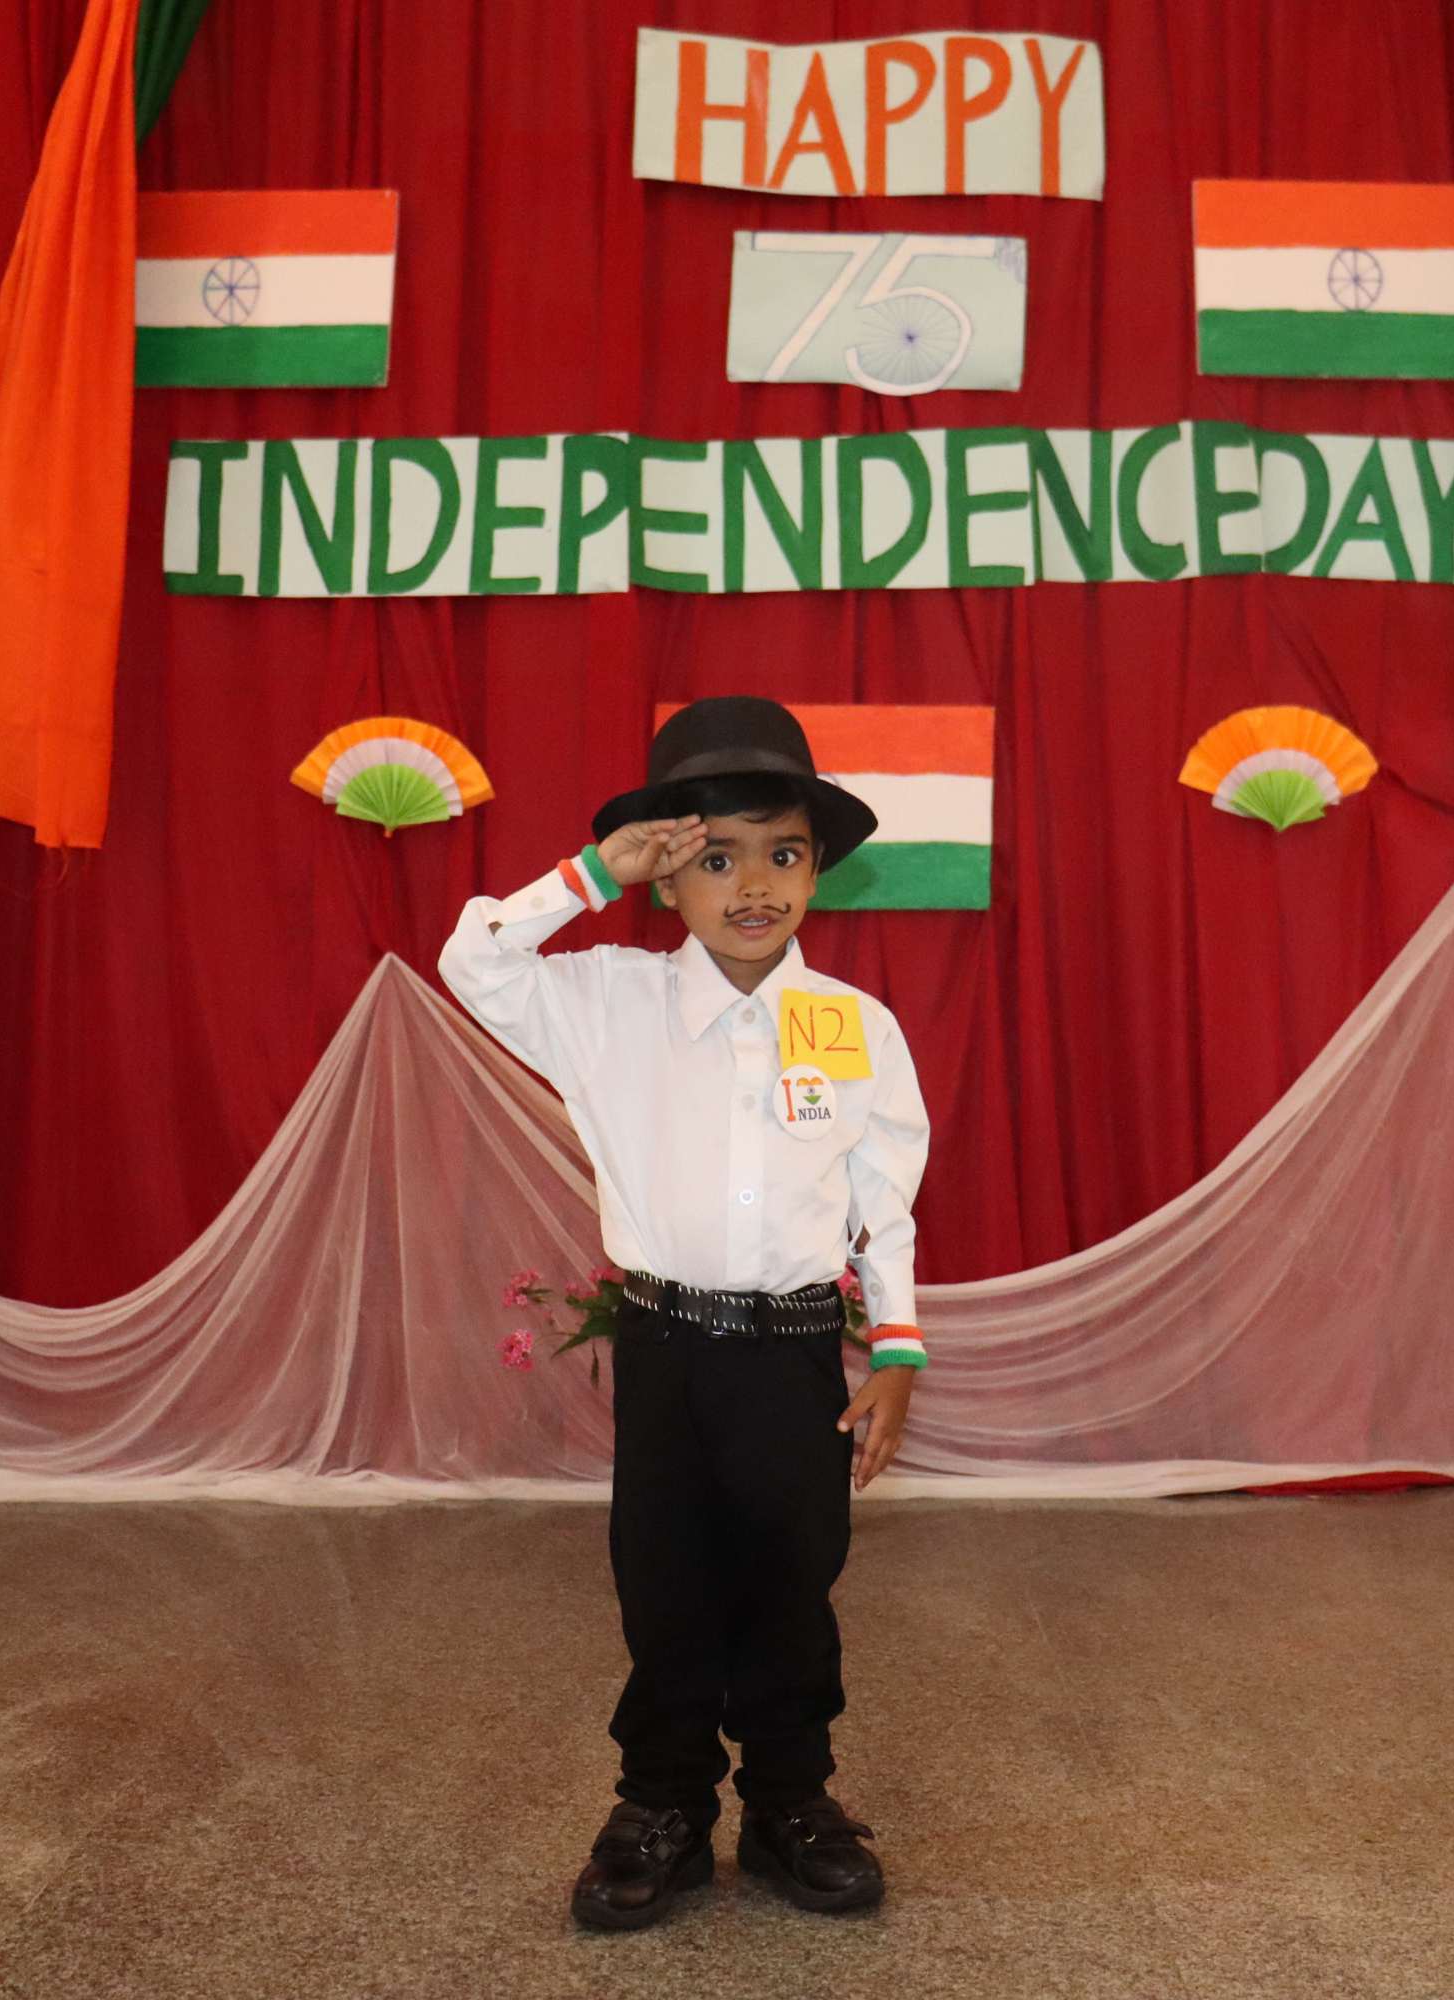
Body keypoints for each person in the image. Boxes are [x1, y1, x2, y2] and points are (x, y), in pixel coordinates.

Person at [438, 695, 932, 1931]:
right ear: (665, 876)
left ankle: (789, 1799)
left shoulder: (855, 1027)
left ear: (817, 868)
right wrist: (589, 872)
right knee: (663, 1581)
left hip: (794, 1356)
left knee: (793, 1578)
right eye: (716, 857)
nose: (753, 884)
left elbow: (883, 1201)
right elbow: (475, 961)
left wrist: (896, 1349)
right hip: (665, 1345)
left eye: (784, 853)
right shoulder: (605, 1001)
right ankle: (659, 1800)